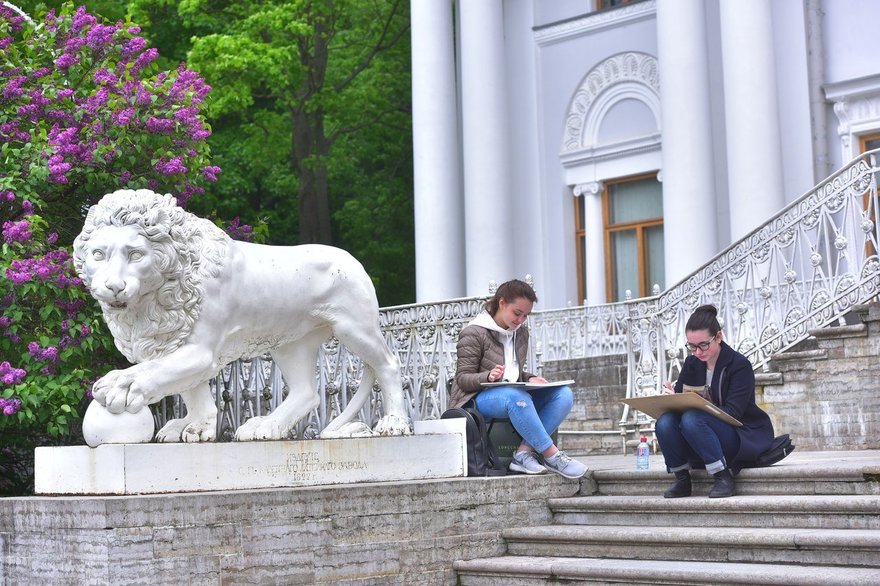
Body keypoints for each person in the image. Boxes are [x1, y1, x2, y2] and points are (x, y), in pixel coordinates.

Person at [448, 279, 588, 479]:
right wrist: (487, 376)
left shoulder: (520, 332)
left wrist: (530, 378)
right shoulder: (473, 332)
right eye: (517, 313)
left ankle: (523, 454)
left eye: (526, 315)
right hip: (476, 400)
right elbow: (462, 379)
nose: (521, 320)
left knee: (563, 394)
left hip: (511, 395)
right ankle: (553, 456)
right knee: (514, 396)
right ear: (502, 303)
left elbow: (512, 372)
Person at [657, 304, 774, 498]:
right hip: (699, 435)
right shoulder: (692, 363)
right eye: (691, 346)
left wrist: (701, 404)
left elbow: (733, 413)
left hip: (736, 436)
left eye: (703, 345)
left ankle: (722, 476)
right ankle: (682, 479)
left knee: (693, 418)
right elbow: (682, 399)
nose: (697, 351)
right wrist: (673, 399)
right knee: (665, 421)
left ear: (718, 337)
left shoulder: (738, 365)